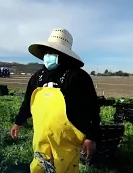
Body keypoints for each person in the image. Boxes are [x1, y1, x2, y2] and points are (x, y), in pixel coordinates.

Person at [10, 28, 101, 173]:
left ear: (64, 55)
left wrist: (91, 137)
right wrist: (18, 122)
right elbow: (28, 103)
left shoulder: (78, 77)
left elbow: (92, 109)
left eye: (53, 52)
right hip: (41, 139)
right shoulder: (37, 77)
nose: (49, 56)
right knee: (38, 167)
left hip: (67, 142)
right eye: (47, 52)